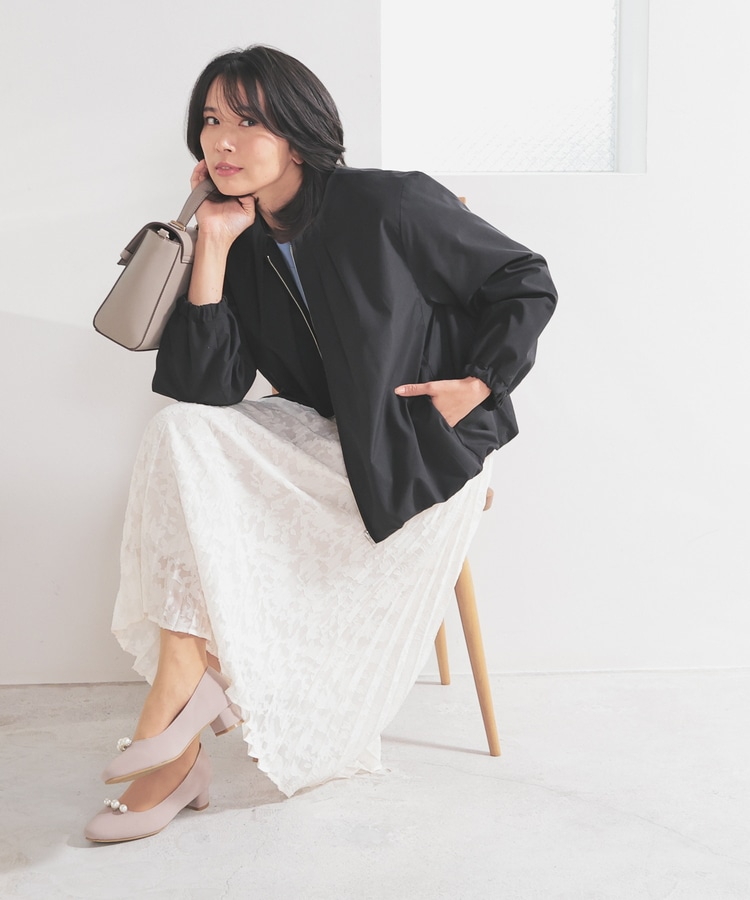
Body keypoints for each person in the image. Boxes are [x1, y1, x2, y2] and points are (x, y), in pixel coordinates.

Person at [84, 44, 557, 843]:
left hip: (414, 449)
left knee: (195, 459)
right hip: (327, 437)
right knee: (180, 434)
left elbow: (523, 279)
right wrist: (214, 245)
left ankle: (172, 736)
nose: (222, 142)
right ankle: (180, 696)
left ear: (297, 135)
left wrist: (479, 382)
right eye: (211, 121)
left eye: (247, 122)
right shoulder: (242, 237)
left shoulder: (390, 202)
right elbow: (207, 390)